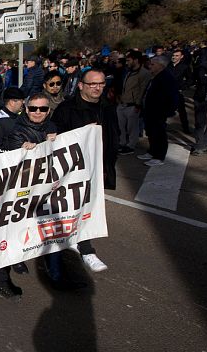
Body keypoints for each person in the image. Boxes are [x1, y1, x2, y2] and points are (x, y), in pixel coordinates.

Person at [5, 94, 83, 290]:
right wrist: (25, 149)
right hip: (24, 190)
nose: (37, 112)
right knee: (22, 228)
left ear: (49, 111)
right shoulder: (17, 131)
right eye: (33, 108)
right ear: (26, 109)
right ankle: (16, 259)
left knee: (50, 229)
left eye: (42, 109)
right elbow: (13, 162)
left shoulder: (52, 127)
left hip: (48, 188)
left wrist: (56, 141)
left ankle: (56, 275)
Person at [52, 68, 116, 272]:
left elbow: (113, 137)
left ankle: (82, 244)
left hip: (99, 167)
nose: (98, 88)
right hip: (74, 170)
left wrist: (108, 166)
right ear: (81, 85)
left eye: (101, 84)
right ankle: (86, 249)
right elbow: (58, 141)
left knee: (90, 208)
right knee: (75, 207)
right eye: (92, 84)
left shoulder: (107, 106)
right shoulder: (66, 109)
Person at [138, 56, 179, 166]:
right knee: (151, 132)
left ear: (160, 65)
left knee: (159, 133)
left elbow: (173, 96)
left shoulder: (167, 77)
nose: (150, 66)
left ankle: (159, 156)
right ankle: (152, 151)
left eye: (153, 64)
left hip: (159, 111)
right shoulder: (155, 76)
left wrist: (168, 110)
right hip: (150, 110)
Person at [117, 50, 152, 155]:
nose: (127, 62)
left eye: (128, 60)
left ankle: (131, 145)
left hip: (133, 105)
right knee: (121, 126)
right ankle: (122, 143)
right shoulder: (129, 71)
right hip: (122, 103)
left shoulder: (144, 73)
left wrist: (138, 104)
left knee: (132, 128)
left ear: (136, 60)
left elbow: (143, 90)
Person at [169, 49, 193, 134]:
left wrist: (183, 87)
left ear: (181, 57)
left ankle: (186, 128)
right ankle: (163, 126)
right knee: (164, 110)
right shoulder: (168, 65)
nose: (174, 57)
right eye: (173, 55)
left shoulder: (185, 67)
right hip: (167, 92)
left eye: (176, 56)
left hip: (178, 92)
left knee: (182, 111)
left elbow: (190, 79)